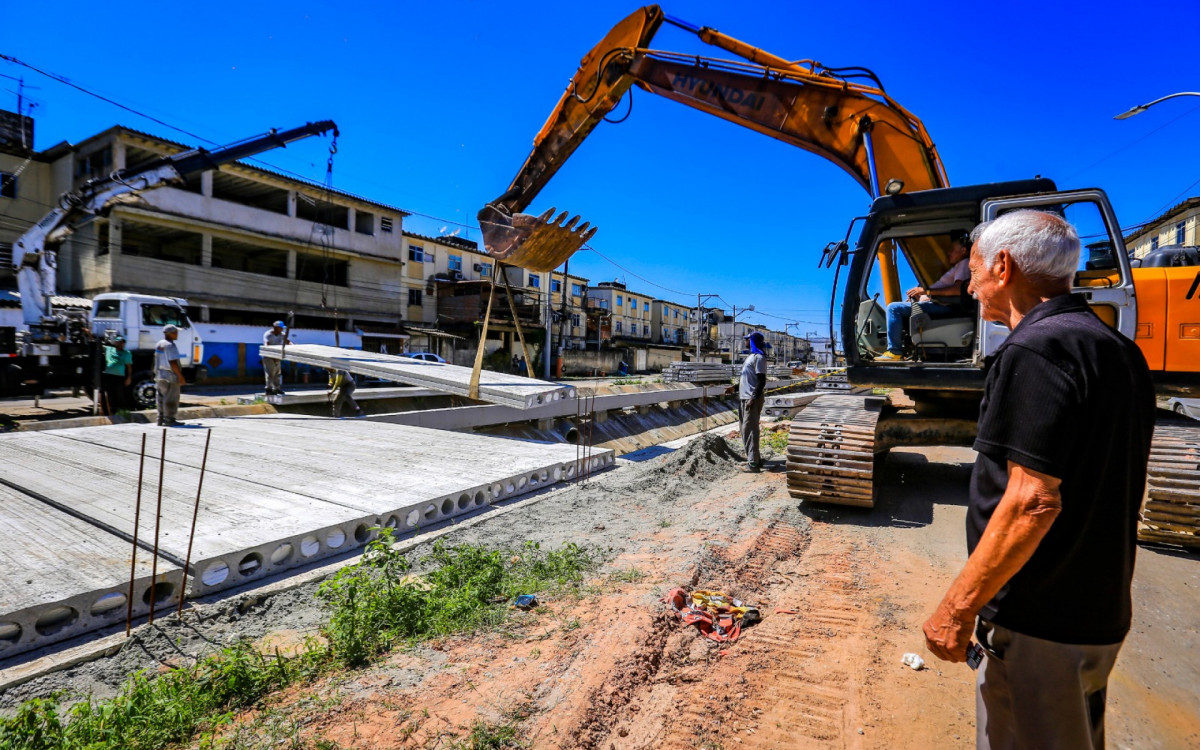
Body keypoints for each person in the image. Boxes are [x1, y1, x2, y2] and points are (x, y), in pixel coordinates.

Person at [921, 210, 1155, 749]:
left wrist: (957, 608)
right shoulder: (1115, 349)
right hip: (1091, 610)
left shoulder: (1035, 350)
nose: (970, 289)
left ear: (1003, 267)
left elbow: (1032, 502)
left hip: (1037, 622)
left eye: (973, 273)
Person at [877, 231, 972, 361]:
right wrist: (920, 297)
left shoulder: (964, 264)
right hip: (940, 304)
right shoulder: (960, 266)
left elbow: (958, 290)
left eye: (952, 250)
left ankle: (894, 351)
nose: (949, 253)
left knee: (894, 308)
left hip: (947, 307)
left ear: (963, 250)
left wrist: (926, 292)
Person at [738, 331, 768, 472]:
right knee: (745, 430)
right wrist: (734, 387)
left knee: (749, 430)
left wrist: (753, 397)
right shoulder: (750, 357)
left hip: (751, 399)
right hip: (744, 397)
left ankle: (753, 464)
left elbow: (761, 381)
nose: (746, 341)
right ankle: (756, 459)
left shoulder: (759, 358)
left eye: (748, 339)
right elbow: (748, 379)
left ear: (753, 341)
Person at [155, 324, 186, 426]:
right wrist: (180, 376)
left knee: (161, 397)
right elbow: (173, 362)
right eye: (175, 332)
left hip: (160, 374)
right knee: (171, 398)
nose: (177, 334)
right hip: (169, 375)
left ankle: (160, 419)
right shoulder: (170, 345)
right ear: (171, 333)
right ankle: (169, 419)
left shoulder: (159, 344)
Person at [101, 335, 132, 415]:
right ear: (115, 342)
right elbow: (98, 345)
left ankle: (119, 411)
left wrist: (129, 377)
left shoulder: (126, 353)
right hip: (108, 375)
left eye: (123, 343)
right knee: (108, 393)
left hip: (119, 376)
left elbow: (129, 366)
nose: (121, 344)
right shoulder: (109, 349)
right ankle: (107, 411)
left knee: (119, 394)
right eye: (119, 342)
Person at [262, 320, 291, 395]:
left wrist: (294, 347)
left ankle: (277, 389)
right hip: (268, 356)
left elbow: (288, 342)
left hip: (277, 355)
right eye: (281, 328)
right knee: (270, 373)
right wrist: (271, 355)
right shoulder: (268, 334)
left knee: (277, 373)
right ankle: (268, 389)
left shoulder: (282, 334)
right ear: (275, 327)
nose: (282, 329)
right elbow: (266, 345)